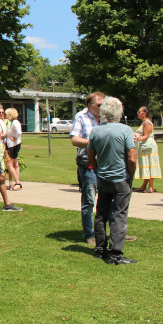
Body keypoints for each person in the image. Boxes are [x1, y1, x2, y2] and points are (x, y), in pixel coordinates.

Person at [88, 96, 137, 265]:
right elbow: (131, 157)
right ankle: (115, 253)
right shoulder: (125, 130)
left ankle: (100, 249)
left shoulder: (96, 131)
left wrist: (98, 171)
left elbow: (91, 157)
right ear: (119, 112)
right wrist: (131, 175)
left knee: (101, 214)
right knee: (119, 215)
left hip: (103, 178)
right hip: (121, 178)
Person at [70, 91, 104, 246]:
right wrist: (93, 142)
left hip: (106, 163)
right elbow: (75, 140)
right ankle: (89, 234)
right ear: (90, 105)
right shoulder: (81, 117)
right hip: (88, 164)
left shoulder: (106, 117)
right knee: (89, 200)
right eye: (99, 105)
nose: (102, 107)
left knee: (110, 199)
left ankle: (113, 232)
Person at [133, 106, 162, 193]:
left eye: (139, 112)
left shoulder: (147, 123)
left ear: (144, 113)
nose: (138, 113)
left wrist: (135, 139)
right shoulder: (144, 122)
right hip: (144, 145)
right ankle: (144, 185)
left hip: (148, 146)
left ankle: (151, 187)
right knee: (146, 164)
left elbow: (146, 136)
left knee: (150, 164)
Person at [5, 108, 23, 190]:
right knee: (15, 164)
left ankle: (18, 182)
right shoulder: (14, 122)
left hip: (13, 146)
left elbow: (19, 132)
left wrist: (15, 137)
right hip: (14, 145)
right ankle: (16, 182)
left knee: (9, 165)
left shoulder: (15, 122)